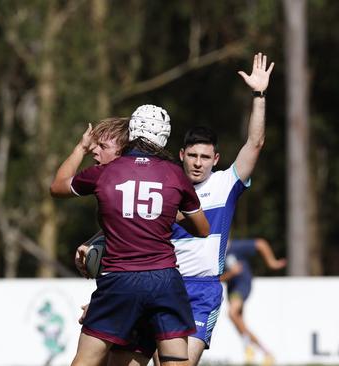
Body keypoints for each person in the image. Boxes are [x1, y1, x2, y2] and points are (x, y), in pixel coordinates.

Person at [76, 52, 274, 366]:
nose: (198, 163)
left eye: (205, 157)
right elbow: (127, 217)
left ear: (216, 160)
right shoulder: (165, 182)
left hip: (200, 292)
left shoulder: (226, 185)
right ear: (180, 154)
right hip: (158, 282)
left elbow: (255, 143)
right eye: (192, 155)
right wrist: (93, 242)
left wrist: (259, 95)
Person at [50, 106, 210, 366]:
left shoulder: (105, 173)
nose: (94, 151)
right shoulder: (175, 175)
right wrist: (168, 217)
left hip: (119, 281)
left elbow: (57, 187)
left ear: (132, 133)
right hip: (165, 282)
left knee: (87, 361)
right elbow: (203, 229)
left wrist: (80, 147)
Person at [220, 238, 286, 362]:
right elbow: (217, 279)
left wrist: (272, 262)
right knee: (240, 323)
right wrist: (230, 274)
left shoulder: (236, 247)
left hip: (242, 285)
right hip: (232, 288)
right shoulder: (216, 254)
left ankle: (248, 346)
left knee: (232, 314)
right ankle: (267, 354)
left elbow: (260, 244)